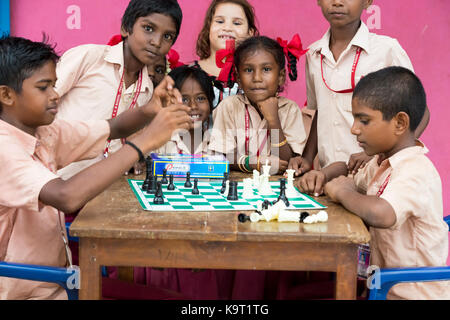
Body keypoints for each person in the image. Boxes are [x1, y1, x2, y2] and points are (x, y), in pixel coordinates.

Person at [0, 36, 192, 300]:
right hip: (29, 290)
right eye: (43, 87)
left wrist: (149, 110)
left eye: (54, 85)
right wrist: (144, 142)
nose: (56, 95)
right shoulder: (3, 148)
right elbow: (66, 197)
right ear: (6, 95)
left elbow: (111, 128)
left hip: (58, 281)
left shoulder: (44, 133)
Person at [324, 66, 449, 300]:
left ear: (400, 123)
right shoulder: (381, 163)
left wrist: (341, 192)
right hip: (382, 288)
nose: (354, 129)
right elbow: (355, 184)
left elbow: (382, 213)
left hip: (414, 295)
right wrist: (338, 182)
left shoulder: (415, 169)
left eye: (364, 120)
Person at [288, 0, 430, 185]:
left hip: (377, 178)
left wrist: (380, 155)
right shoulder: (314, 54)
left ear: (368, 1)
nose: (337, 2)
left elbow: (421, 113)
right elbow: (321, 111)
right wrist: (307, 158)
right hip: (330, 178)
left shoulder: (387, 50)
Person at [55, 0, 183, 180]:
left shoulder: (148, 91)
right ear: (126, 28)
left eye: (168, 36)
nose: (156, 42)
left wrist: (132, 158)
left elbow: (123, 141)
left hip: (99, 189)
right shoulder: (89, 58)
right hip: (54, 179)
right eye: (148, 28)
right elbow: (40, 104)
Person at [209, 35, 307, 175]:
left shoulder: (290, 110)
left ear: (280, 77)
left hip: (276, 188)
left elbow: (287, 161)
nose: (257, 78)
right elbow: (223, 157)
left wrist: (274, 121)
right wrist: (254, 163)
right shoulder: (229, 107)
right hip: (237, 186)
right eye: (248, 70)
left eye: (266, 69)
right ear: (238, 78)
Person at [193, 0, 259, 109]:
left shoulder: (257, 77)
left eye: (237, 23)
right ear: (209, 27)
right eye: (219, 21)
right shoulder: (188, 74)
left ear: (250, 33)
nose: (227, 28)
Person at [152, 65, 215, 155]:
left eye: (200, 98)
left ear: (210, 101)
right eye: (184, 99)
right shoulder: (159, 142)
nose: (193, 106)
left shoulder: (216, 144)